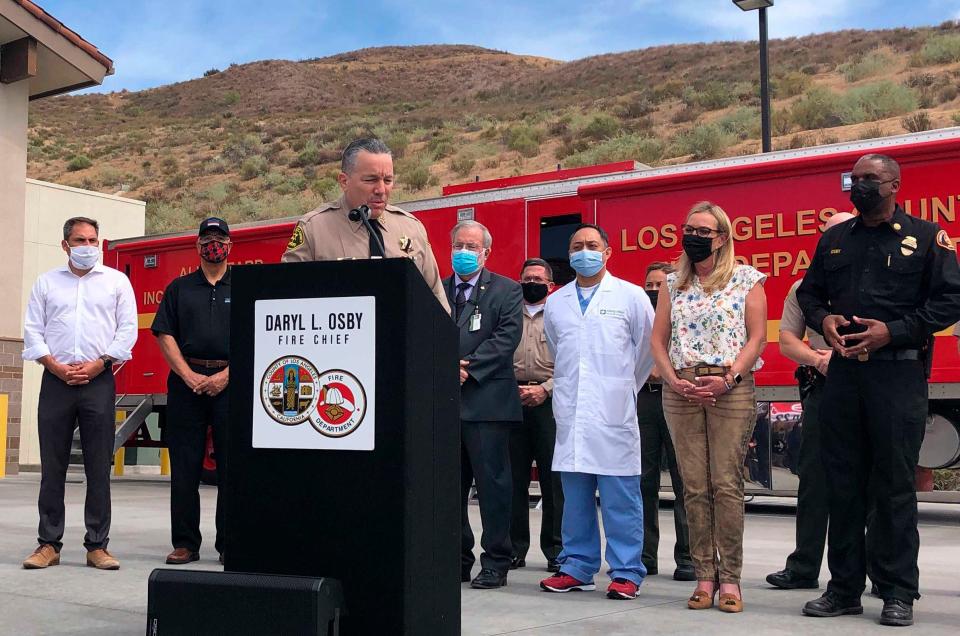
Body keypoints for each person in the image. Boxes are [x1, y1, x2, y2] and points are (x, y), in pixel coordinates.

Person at [797, 154, 960, 627]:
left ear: (894, 184)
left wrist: (896, 330)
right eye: (855, 179)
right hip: (844, 376)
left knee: (892, 487)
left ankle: (896, 591)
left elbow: (951, 299)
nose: (859, 186)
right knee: (842, 484)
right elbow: (809, 294)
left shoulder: (927, 238)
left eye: (869, 179)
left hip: (898, 375)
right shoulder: (835, 238)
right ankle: (844, 589)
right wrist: (821, 319)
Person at [651, 201, 767, 613]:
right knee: (693, 486)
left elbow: (757, 339)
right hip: (681, 388)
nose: (694, 237)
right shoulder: (671, 283)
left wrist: (729, 377)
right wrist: (673, 379)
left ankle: (731, 580)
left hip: (729, 387)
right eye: (688, 229)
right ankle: (704, 577)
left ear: (722, 237)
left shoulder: (746, 279)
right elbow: (657, 340)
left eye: (703, 231)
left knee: (726, 484)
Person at [539, 223, 654, 601]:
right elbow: (559, 351)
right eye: (576, 246)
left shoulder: (631, 296)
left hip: (614, 410)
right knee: (575, 497)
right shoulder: (557, 302)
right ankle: (577, 567)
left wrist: (620, 388)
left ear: (607, 252)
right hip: (572, 413)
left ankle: (625, 571)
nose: (583, 251)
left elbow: (646, 352)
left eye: (591, 245)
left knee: (621, 497)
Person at [21, 217, 137, 571]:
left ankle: (97, 546)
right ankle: (48, 544)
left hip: (98, 381)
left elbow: (127, 331)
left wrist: (100, 363)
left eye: (92, 240)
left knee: (98, 466)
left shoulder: (117, 283)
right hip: (56, 381)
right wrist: (54, 365)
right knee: (52, 466)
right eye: (79, 240)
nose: (87, 247)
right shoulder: (46, 283)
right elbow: (32, 330)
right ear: (65, 245)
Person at [766, 211, 855, 591]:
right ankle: (803, 567)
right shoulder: (804, 287)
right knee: (814, 480)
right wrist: (818, 359)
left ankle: (870, 572)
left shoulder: (876, 281)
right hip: (823, 386)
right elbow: (787, 340)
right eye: (827, 234)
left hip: (872, 387)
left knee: (869, 482)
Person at [281, 137, 449, 313]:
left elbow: (437, 302)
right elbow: (285, 301)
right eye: (371, 180)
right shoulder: (314, 229)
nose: (381, 190)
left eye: (388, 180)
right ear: (344, 181)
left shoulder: (411, 228)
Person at [444, 220, 523, 589]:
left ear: (486, 252)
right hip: (444, 406)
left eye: (472, 246)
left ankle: (496, 560)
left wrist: (466, 369)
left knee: (493, 488)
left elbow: (506, 338)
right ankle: (456, 558)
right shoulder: (437, 288)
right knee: (448, 490)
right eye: (459, 244)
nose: (464, 251)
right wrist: (443, 366)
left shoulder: (507, 290)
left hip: (488, 405)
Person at [151, 217, 233, 566]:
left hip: (231, 384)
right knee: (184, 468)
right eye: (207, 239)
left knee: (232, 468)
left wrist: (228, 376)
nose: (213, 245)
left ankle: (230, 542)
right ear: (197, 246)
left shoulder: (243, 285)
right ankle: (185, 543)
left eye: (220, 238)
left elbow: (257, 335)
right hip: (187, 386)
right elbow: (164, 333)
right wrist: (187, 375)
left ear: (230, 245)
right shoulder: (179, 288)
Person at [639, 262, 694, 582]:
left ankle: (687, 556)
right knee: (642, 481)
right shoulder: (636, 313)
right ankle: (645, 555)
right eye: (649, 284)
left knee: (683, 482)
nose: (654, 290)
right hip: (643, 400)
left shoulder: (684, 313)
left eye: (660, 284)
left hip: (676, 397)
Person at [509, 258, 563, 573]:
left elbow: (571, 360)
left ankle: (555, 549)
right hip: (512, 401)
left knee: (553, 480)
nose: (532, 282)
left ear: (550, 285)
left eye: (538, 278)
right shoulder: (508, 315)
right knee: (513, 479)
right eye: (527, 277)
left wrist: (545, 389)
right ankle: (515, 548)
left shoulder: (560, 316)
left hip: (550, 402)